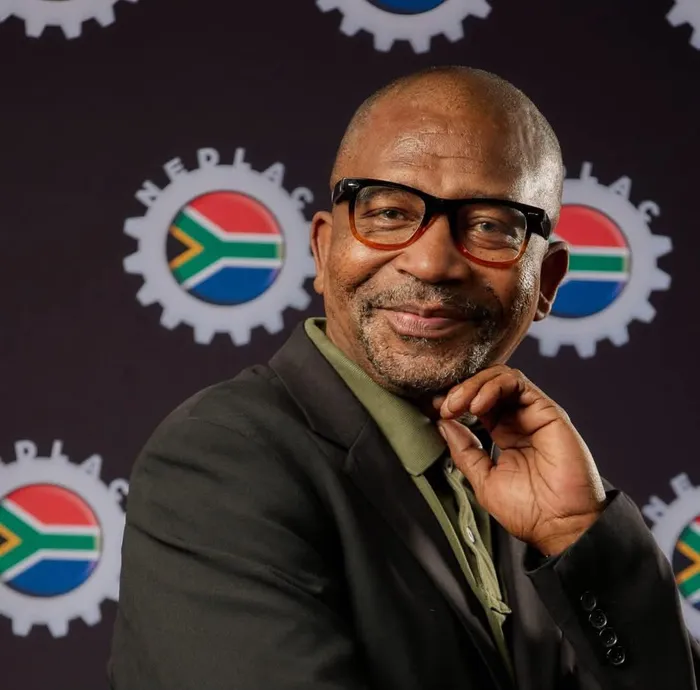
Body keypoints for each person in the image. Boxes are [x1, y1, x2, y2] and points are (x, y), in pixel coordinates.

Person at [108, 66, 700, 690]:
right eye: (389, 212)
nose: (432, 262)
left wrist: (580, 538)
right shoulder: (222, 459)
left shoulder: (535, 496)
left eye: (490, 224)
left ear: (545, 282)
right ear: (323, 250)